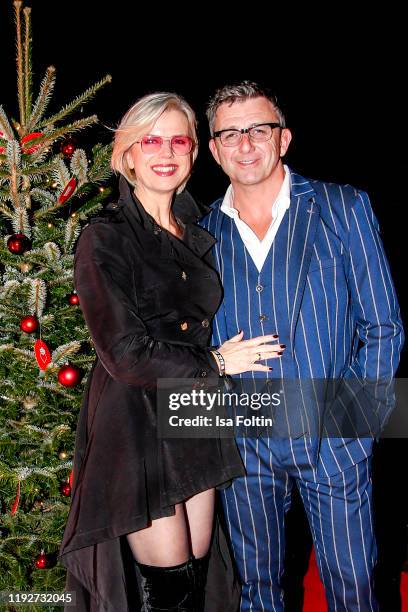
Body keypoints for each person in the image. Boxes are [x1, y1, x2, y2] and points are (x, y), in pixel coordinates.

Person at [59, 91, 283, 612]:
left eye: (178, 139)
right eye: (150, 140)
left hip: (196, 414)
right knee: (167, 589)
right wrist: (219, 363)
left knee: (197, 576)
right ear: (127, 154)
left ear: (192, 152)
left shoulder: (199, 230)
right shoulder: (105, 237)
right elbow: (124, 352)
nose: (166, 151)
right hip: (135, 418)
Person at [201, 81, 404, 611]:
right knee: (255, 589)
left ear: (283, 139)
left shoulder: (343, 207)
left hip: (332, 441)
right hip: (242, 444)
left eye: (258, 129)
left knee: (353, 586)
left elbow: (383, 327)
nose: (245, 143)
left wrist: (352, 427)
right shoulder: (199, 234)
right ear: (215, 147)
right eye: (230, 133)